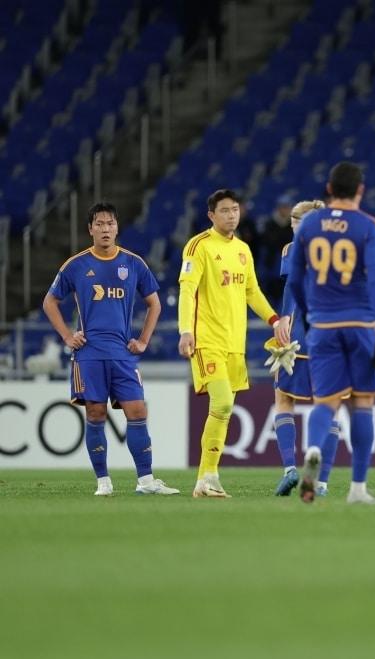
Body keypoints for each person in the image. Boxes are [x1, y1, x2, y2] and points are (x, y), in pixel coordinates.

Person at [41, 202, 179, 496]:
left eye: (110, 224)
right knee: (95, 413)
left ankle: (146, 481)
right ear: (90, 229)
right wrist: (67, 335)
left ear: (117, 228)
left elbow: (154, 302)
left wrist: (142, 340)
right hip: (89, 352)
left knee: (137, 410)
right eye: (100, 224)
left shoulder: (132, 263)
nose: (105, 229)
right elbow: (50, 302)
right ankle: (103, 481)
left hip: (121, 352)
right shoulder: (75, 265)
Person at [285, 162, 375, 504]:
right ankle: (358, 488)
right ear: (361, 189)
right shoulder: (370, 227)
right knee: (363, 402)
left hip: (323, 324)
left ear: (329, 188)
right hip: (361, 323)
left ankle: (314, 448)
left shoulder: (309, 225)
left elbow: (295, 279)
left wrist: (309, 313)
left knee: (325, 401)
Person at [178, 189, 290, 498]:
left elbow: (251, 291)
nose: (232, 215)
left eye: (235, 209)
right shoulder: (198, 246)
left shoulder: (242, 249)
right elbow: (187, 290)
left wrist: (275, 320)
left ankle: (209, 478)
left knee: (224, 409)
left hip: (234, 344)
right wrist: (185, 330)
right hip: (206, 340)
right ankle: (205, 477)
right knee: (223, 402)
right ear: (211, 215)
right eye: (225, 210)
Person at [270, 199, 338, 497]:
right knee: (329, 408)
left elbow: (290, 289)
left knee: (284, 400)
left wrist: (284, 319)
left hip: (297, 336)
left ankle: (290, 469)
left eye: (295, 221)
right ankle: (321, 483)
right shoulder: (339, 248)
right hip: (333, 336)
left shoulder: (291, 249)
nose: (292, 226)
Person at [261, 194, 294, 303]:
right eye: (282, 207)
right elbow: (269, 243)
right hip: (273, 264)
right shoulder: (270, 224)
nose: (284, 209)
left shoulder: (294, 224)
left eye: (286, 207)